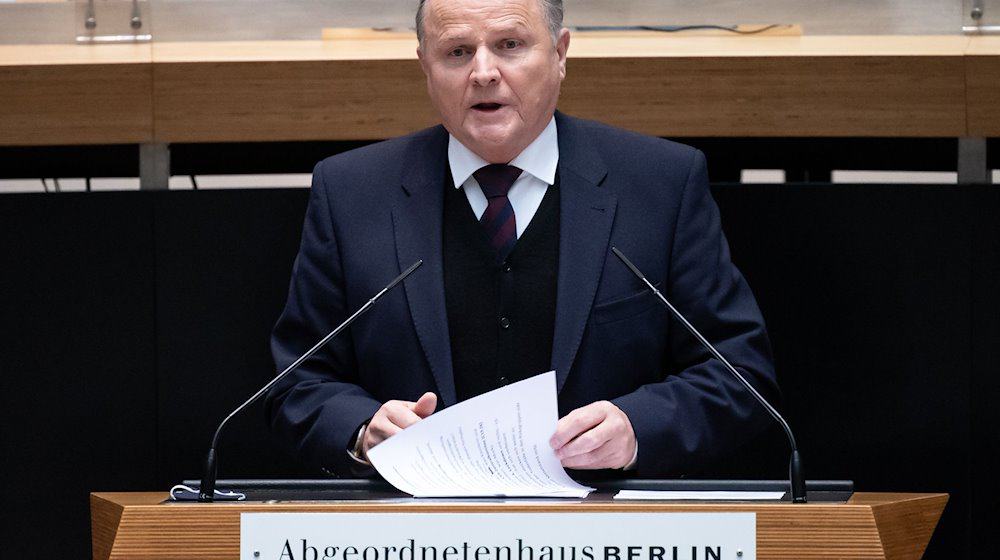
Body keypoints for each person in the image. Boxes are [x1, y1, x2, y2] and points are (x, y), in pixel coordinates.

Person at [266, 0, 778, 478]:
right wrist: (361, 430)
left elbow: (741, 375)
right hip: (414, 532)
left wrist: (636, 427)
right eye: (457, 52)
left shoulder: (660, 183)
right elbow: (294, 385)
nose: (483, 72)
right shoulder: (352, 192)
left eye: (510, 45)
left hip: (607, 529)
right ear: (425, 66)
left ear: (559, 55)